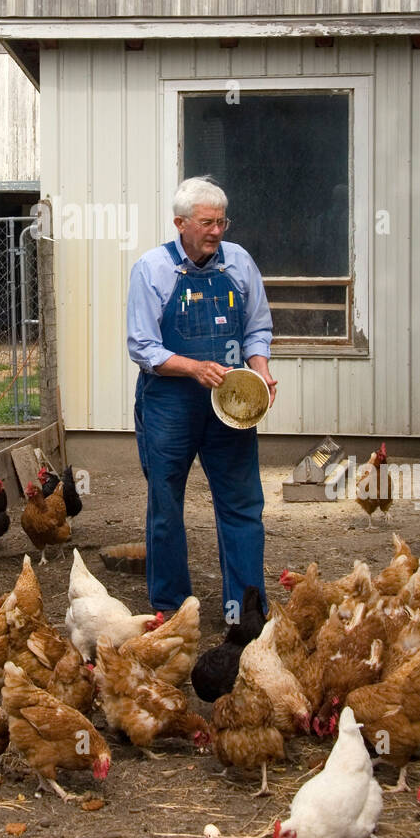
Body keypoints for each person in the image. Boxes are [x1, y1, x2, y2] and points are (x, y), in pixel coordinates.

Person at [127, 176, 277, 621]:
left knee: (242, 502)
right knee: (166, 502)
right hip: (170, 404)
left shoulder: (239, 262)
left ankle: (245, 609)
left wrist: (262, 369)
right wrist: (194, 367)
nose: (217, 231)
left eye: (222, 221)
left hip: (230, 404)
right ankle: (173, 609)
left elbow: (257, 327)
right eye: (207, 222)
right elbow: (142, 347)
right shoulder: (152, 269)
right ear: (180, 223)